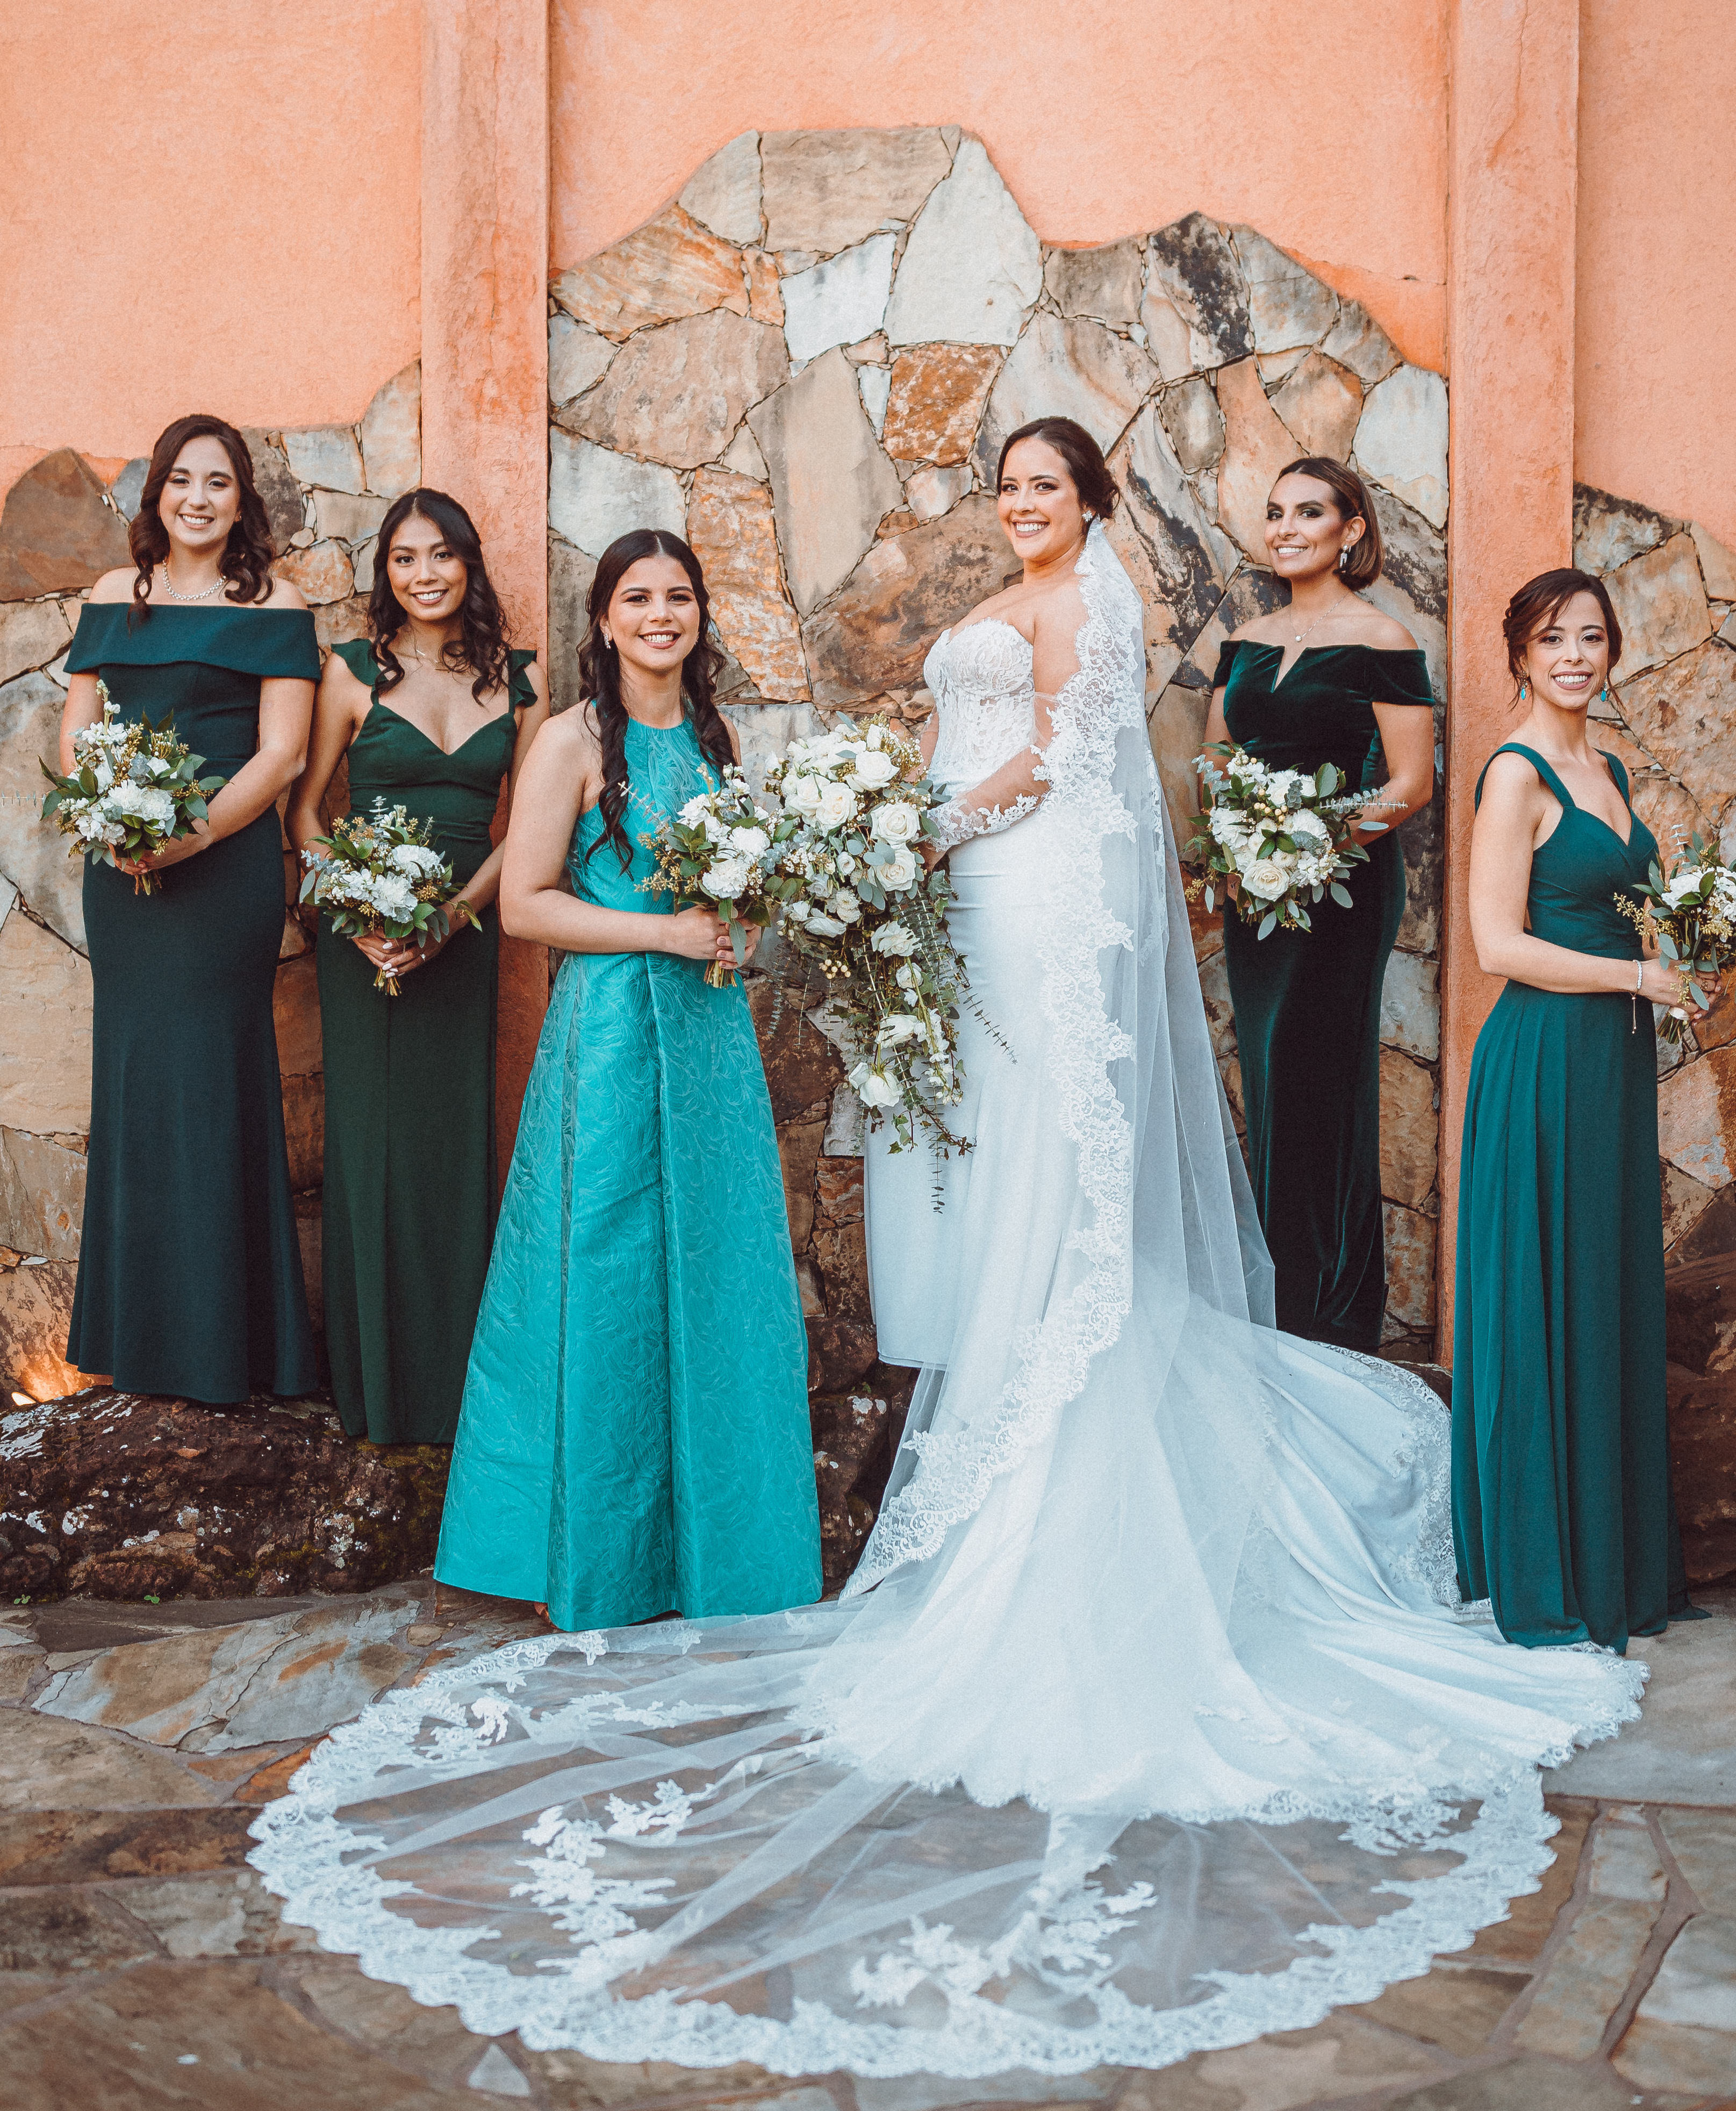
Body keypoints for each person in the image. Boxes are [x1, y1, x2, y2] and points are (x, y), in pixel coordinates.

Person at [253, 428, 1651, 2079]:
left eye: (1044, 488)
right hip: (968, 895)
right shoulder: (837, 654)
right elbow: (948, 739)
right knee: (980, 1178)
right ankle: (991, 1442)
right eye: (1006, 488)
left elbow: (1056, 760)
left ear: (1092, 503)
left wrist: (907, 829)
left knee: (1055, 1191)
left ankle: (1057, 1475)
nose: (1021, 507)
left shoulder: (1097, 605)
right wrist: (896, 838)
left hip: (1032, 889)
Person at [431, 529, 821, 1628]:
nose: (662, 613)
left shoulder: (711, 734)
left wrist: (736, 925)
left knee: (713, 1265)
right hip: (607, 1031)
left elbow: (720, 889)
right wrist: (662, 937)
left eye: (680, 596)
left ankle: (718, 1549)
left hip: (705, 1036)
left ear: (699, 616)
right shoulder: (567, 740)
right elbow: (524, 905)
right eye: (638, 597)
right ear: (603, 619)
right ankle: (606, 1556)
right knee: (605, 1265)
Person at [1452, 570, 1710, 1650]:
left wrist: (1676, 945)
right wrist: (1634, 980)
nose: (1573, 655)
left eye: (1591, 637)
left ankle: (1618, 1557)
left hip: (1608, 1060)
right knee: (1541, 1291)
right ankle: (1545, 1560)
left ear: (1611, 651)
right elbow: (1494, 944)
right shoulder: (1514, 773)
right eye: (1552, 638)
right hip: (1546, 1055)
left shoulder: (1602, 765)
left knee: (1603, 1290)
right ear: (1519, 651)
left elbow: (1619, 908)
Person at [59, 414, 317, 1402]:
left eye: (219, 484)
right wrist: (112, 821)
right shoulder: (110, 600)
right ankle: (143, 1341)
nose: (198, 499)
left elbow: (282, 754)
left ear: (241, 501)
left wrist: (191, 832)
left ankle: (231, 1345)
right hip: (124, 876)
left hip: (224, 871)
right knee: (134, 1084)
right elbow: (82, 733)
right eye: (182, 480)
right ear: (156, 494)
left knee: (215, 1078)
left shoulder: (277, 605)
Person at [286, 490, 547, 1445]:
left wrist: (452, 918)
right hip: (364, 940)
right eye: (404, 558)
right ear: (384, 572)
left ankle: (452, 1390)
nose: (424, 573)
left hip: (463, 936)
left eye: (441, 555)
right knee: (371, 1150)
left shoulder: (518, 684)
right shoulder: (351, 673)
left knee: (450, 1146)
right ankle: (375, 1392)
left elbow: (523, 830)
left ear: (469, 565)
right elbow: (307, 811)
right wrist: (356, 912)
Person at [1202, 459, 1435, 1349]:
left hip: (1339, 893)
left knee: (1320, 1083)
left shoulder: (1381, 640)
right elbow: (1217, 757)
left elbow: (1410, 784)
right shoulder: (1248, 638)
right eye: (1274, 514)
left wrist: (1303, 847)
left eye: (1309, 512)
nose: (1287, 528)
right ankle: (1275, 1302)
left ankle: (1332, 1313)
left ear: (1351, 531)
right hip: (1255, 897)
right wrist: (1233, 845)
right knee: (1267, 1079)